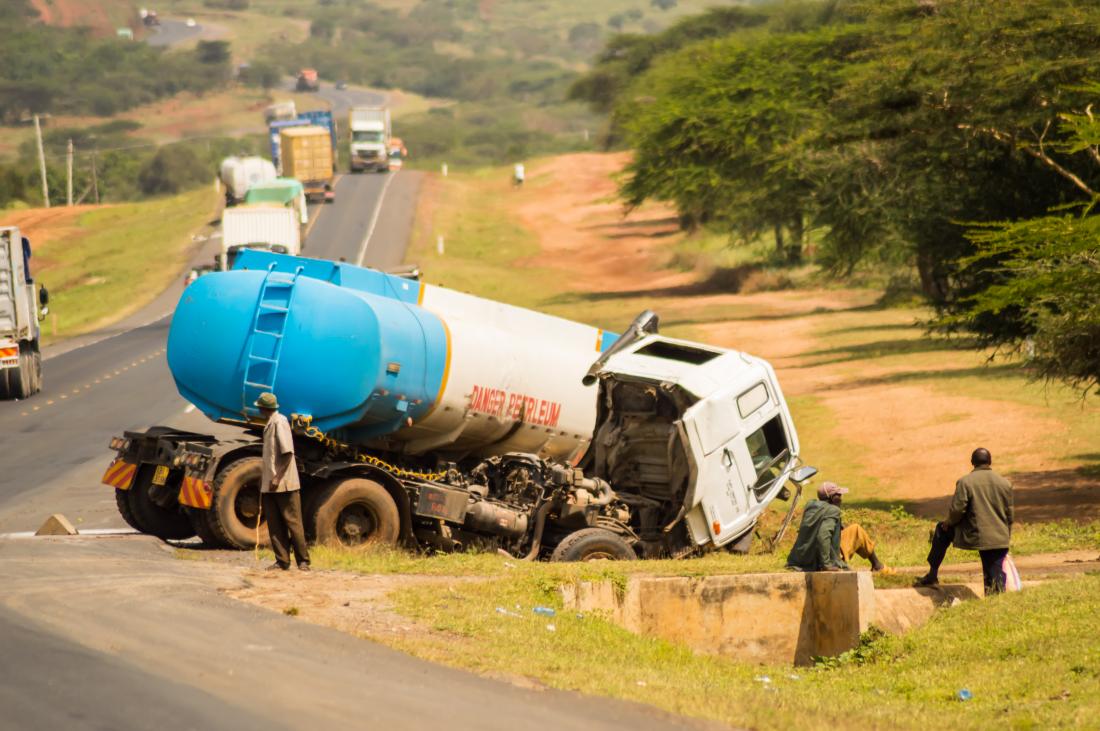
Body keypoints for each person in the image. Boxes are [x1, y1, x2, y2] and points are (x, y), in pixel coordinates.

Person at [914, 447, 1013, 595]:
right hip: (1000, 536)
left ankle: (932, 574)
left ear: (972, 462)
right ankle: (996, 599)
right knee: (994, 571)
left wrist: (948, 522)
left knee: (941, 530)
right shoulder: (1005, 483)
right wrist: (1005, 535)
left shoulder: (965, 482)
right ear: (990, 462)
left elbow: (957, 510)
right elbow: (1010, 514)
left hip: (975, 534)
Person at [786, 482, 893, 574]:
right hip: (817, 560)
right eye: (839, 495)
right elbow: (822, 536)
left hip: (802, 557)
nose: (841, 498)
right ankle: (877, 566)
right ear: (833, 497)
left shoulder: (811, 506)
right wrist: (826, 565)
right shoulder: (833, 510)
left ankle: (877, 565)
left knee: (854, 529)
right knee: (858, 531)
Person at [256, 391, 310, 572]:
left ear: (263, 408)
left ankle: (303, 560)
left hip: (284, 483)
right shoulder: (271, 423)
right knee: (274, 523)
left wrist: (277, 478)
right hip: (271, 484)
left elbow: (288, 453)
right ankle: (282, 561)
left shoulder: (280, 422)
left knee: (293, 522)